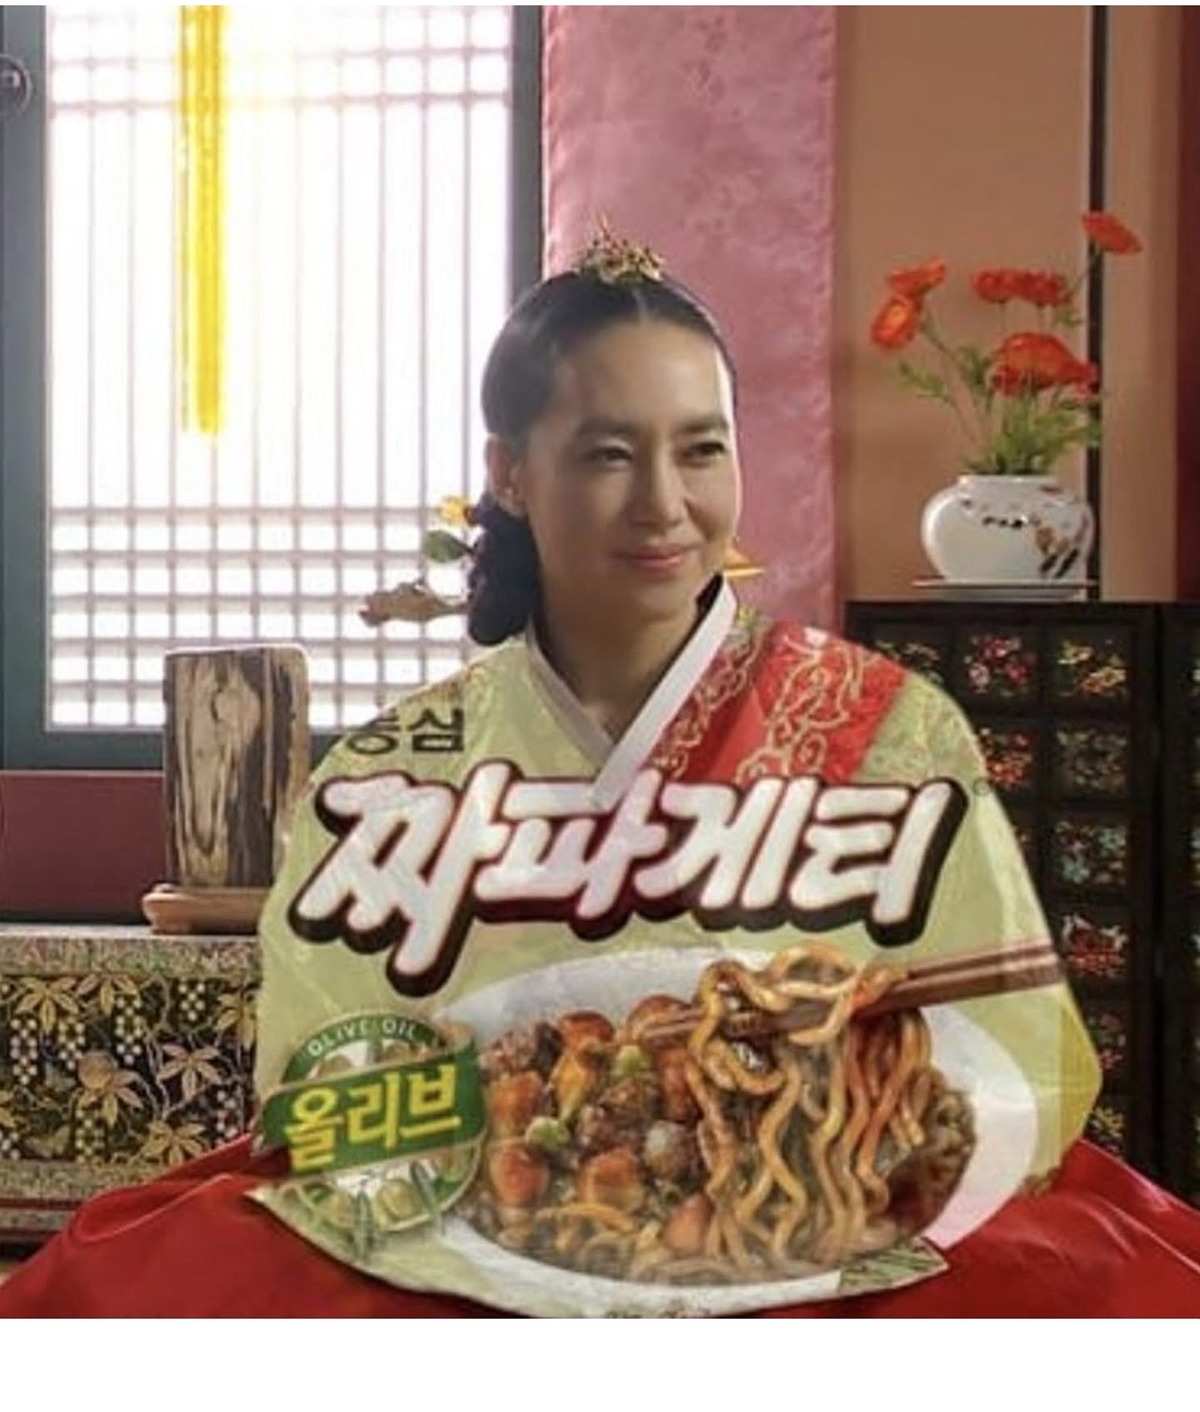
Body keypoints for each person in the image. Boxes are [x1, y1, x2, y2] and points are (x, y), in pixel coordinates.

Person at [3, 227, 1200, 1318]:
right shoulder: (392, 775)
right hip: (477, 1222)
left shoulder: (888, 728)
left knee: (1106, 1293)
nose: (665, 505)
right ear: (511, 472)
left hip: (830, 1212)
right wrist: (514, 1157)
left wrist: (817, 1149)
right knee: (150, 1288)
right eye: (609, 455)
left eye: (703, 450)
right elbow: (322, 1098)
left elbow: (1019, 1048)